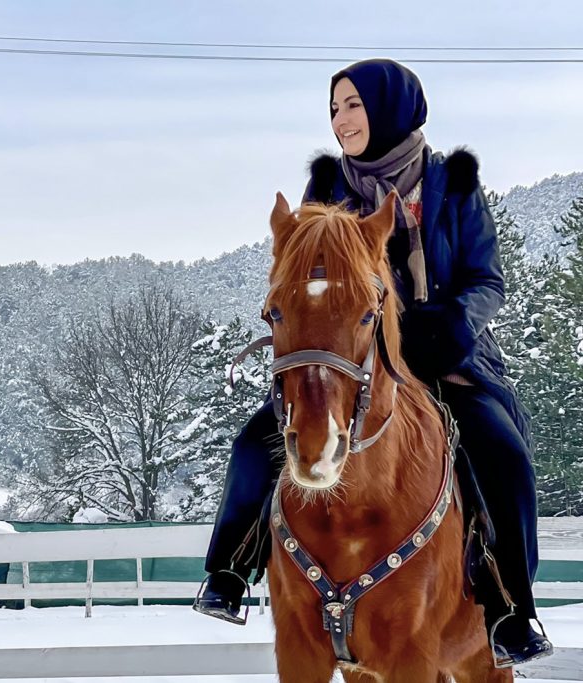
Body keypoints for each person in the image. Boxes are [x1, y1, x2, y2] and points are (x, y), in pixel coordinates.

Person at [194, 58, 552, 668]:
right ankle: (228, 569)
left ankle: (510, 609)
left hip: (446, 357)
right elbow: (301, 272)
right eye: (334, 108)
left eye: (353, 105)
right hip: (349, 357)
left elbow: (488, 278)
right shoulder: (327, 187)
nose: (341, 119)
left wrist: (453, 321)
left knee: (503, 453)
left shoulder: (454, 182)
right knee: (255, 442)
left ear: (391, 107)